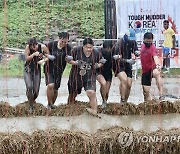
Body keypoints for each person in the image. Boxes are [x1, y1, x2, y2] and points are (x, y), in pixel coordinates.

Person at [67, 38, 106, 117]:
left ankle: (94, 111)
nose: (89, 49)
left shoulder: (96, 52)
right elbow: (68, 58)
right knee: (72, 94)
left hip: (89, 76)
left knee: (91, 92)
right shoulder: (76, 50)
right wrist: (75, 62)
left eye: (90, 47)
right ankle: (69, 109)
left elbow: (102, 60)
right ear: (83, 46)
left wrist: (98, 65)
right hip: (76, 77)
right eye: (87, 47)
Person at [44, 32, 71, 109]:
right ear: (59, 39)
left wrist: (69, 58)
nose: (64, 43)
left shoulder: (68, 48)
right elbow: (44, 53)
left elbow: (69, 57)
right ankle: (49, 104)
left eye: (65, 42)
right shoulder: (51, 45)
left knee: (55, 88)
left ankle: (52, 104)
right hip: (49, 68)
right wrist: (48, 56)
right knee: (50, 85)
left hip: (59, 70)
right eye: (62, 41)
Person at [112, 29, 138, 103]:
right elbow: (115, 58)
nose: (131, 41)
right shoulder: (118, 45)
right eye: (130, 39)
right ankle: (122, 99)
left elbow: (135, 50)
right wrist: (127, 60)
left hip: (128, 65)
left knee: (129, 84)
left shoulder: (133, 42)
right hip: (118, 65)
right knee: (124, 80)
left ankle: (125, 101)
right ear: (126, 36)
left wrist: (136, 52)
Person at [24, 37, 49, 113]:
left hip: (37, 70)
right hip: (28, 69)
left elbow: (49, 56)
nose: (33, 48)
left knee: (36, 91)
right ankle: (31, 105)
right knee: (29, 86)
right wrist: (33, 54)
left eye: (34, 46)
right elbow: (26, 59)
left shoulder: (43, 47)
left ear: (36, 44)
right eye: (31, 46)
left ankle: (32, 100)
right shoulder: (28, 47)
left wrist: (43, 60)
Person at [140, 32, 163, 101]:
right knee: (145, 92)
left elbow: (155, 57)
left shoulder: (153, 48)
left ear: (152, 41)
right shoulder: (142, 46)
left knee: (156, 73)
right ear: (144, 40)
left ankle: (161, 94)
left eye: (150, 42)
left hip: (152, 68)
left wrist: (158, 65)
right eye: (147, 41)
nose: (148, 43)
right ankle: (148, 102)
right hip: (145, 71)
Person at [96, 40, 113, 107]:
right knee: (103, 83)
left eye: (109, 48)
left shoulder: (112, 53)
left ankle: (105, 100)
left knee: (106, 91)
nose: (108, 50)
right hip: (99, 71)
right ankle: (104, 101)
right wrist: (99, 62)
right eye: (106, 48)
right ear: (103, 48)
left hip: (108, 72)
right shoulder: (98, 52)